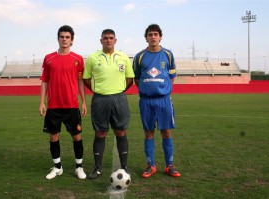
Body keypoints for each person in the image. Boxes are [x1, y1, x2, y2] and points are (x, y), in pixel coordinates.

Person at [83, 29, 134, 179]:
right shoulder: (93, 58)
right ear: (101, 41)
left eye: (111, 38)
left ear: (115, 40)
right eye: (105, 38)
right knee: (100, 133)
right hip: (100, 99)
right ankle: (97, 168)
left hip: (119, 98)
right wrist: (97, 90)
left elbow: (130, 78)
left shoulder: (123, 57)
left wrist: (119, 90)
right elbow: (86, 78)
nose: (108, 40)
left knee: (121, 132)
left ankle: (124, 167)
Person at [39, 25, 87, 180]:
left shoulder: (78, 59)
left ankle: (79, 167)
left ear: (72, 40)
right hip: (53, 105)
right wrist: (42, 102)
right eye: (62, 36)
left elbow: (80, 81)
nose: (64, 39)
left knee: (77, 136)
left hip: (72, 105)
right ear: (58, 38)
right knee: (53, 136)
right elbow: (45, 81)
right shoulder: (49, 58)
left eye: (67, 37)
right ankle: (57, 167)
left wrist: (84, 102)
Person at [133, 24, 181, 178]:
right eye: (150, 34)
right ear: (146, 37)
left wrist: (163, 90)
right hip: (146, 101)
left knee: (166, 132)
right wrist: (147, 90)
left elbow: (172, 76)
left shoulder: (168, 54)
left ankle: (169, 165)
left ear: (160, 36)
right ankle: (150, 165)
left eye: (155, 34)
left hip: (164, 101)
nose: (153, 37)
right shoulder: (140, 56)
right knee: (149, 133)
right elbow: (137, 78)